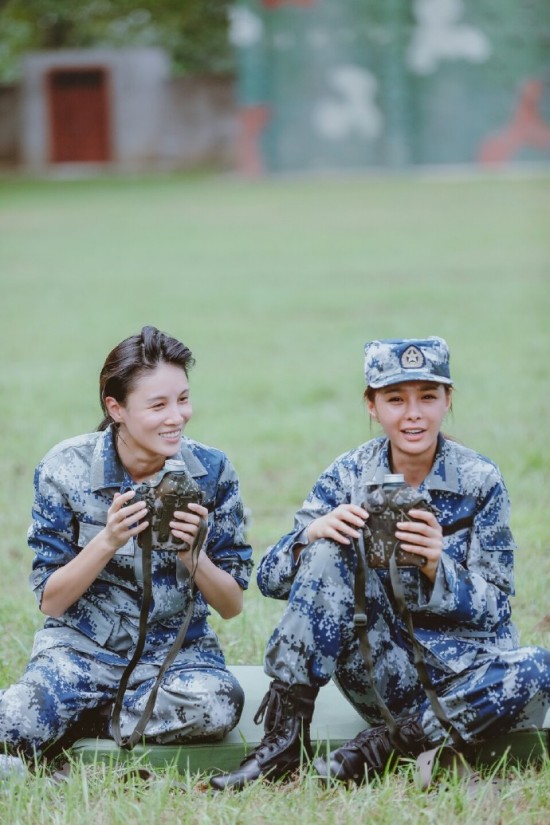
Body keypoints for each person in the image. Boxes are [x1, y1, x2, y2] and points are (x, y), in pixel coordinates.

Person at [210, 336, 550, 790]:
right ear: (372, 406)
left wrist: (438, 565)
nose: (413, 414)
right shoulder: (347, 475)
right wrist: (312, 535)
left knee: (538, 668)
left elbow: (498, 607)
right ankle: (283, 742)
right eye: (395, 399)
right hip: (382, 671)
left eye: (428, 397)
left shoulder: (479, 480)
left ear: (448, 400)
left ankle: (384, 748)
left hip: (466, 678)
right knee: (330, 547)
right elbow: (269, 578)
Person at [0, 325, 253, 770]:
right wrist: (108, 539)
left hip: (176, 658)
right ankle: (86, 714)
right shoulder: (65, 470)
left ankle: (82, 722)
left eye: (182, 399)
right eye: (158, 405)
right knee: (14, 720)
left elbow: (232, 605)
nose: (177, 416)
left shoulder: (211, 472)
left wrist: (194, 556)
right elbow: (51, 599)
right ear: (114, 407)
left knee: (217, 705)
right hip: (80, 652)